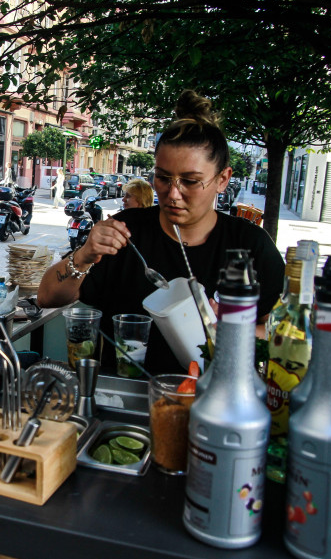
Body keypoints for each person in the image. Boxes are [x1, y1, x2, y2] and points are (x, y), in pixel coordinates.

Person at [37, 90, 285, 374]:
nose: (173, 194)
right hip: (127, 398)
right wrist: (84, 255)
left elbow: (281, 332)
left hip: (213, 397)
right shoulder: (127, 232)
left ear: (222, 180)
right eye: (163, 178)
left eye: (190, 181)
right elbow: (47, 297)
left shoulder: (249, 245)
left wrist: (232, 331)